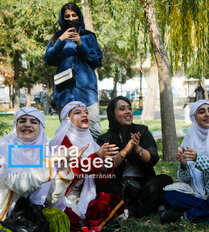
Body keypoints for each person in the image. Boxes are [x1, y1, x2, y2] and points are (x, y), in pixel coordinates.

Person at [49, 101, 128, 231]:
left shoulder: (90, 141)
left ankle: (89, 223)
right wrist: (97, 156)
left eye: (86, 112)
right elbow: (71, 174)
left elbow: (98, 181)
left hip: (85, 195)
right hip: (62, 196)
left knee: (111, 200)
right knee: (68, 216)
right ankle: (89, 225)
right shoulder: (61, 142)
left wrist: (104, 163)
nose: (84, 115)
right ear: (66, 119)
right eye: (77, 112)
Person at [97, 96, 173, 217]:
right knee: (105, 186)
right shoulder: (106, 139)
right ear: (113, 114)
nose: (128, 111)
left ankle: (131, 209)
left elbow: (152, 159)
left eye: (129, 108)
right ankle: (139, 206)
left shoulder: (141, 130)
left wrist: (137, 148)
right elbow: (108, 166)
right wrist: (126, 150)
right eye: (122, 109)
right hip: (119, 184)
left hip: (144, 185)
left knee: (165, 180)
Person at [0, 107, 73, 229]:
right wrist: (50, 161)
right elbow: (19, 184)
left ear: (41, 128)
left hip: (30, 215)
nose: (27, 124)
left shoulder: (45, 150)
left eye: (33, 122)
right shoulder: (4, 147)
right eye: (22, 121)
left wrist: (64, 168)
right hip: (5, 216)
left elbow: (51, 199)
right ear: (15, 125)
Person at [44, 2, 103, 140]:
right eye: (67, 16)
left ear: (79, 16)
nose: (71, 19)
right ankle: (71, 161)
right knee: (66, 134)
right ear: (62, 18)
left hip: (87, 93)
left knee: (94, 132)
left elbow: (97, 61)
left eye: (74, 15)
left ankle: (95, 161)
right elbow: (48, 59)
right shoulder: (57, 37)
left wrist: (80, 44)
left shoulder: (89, 37)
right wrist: (60, 41)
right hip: (64, 93)